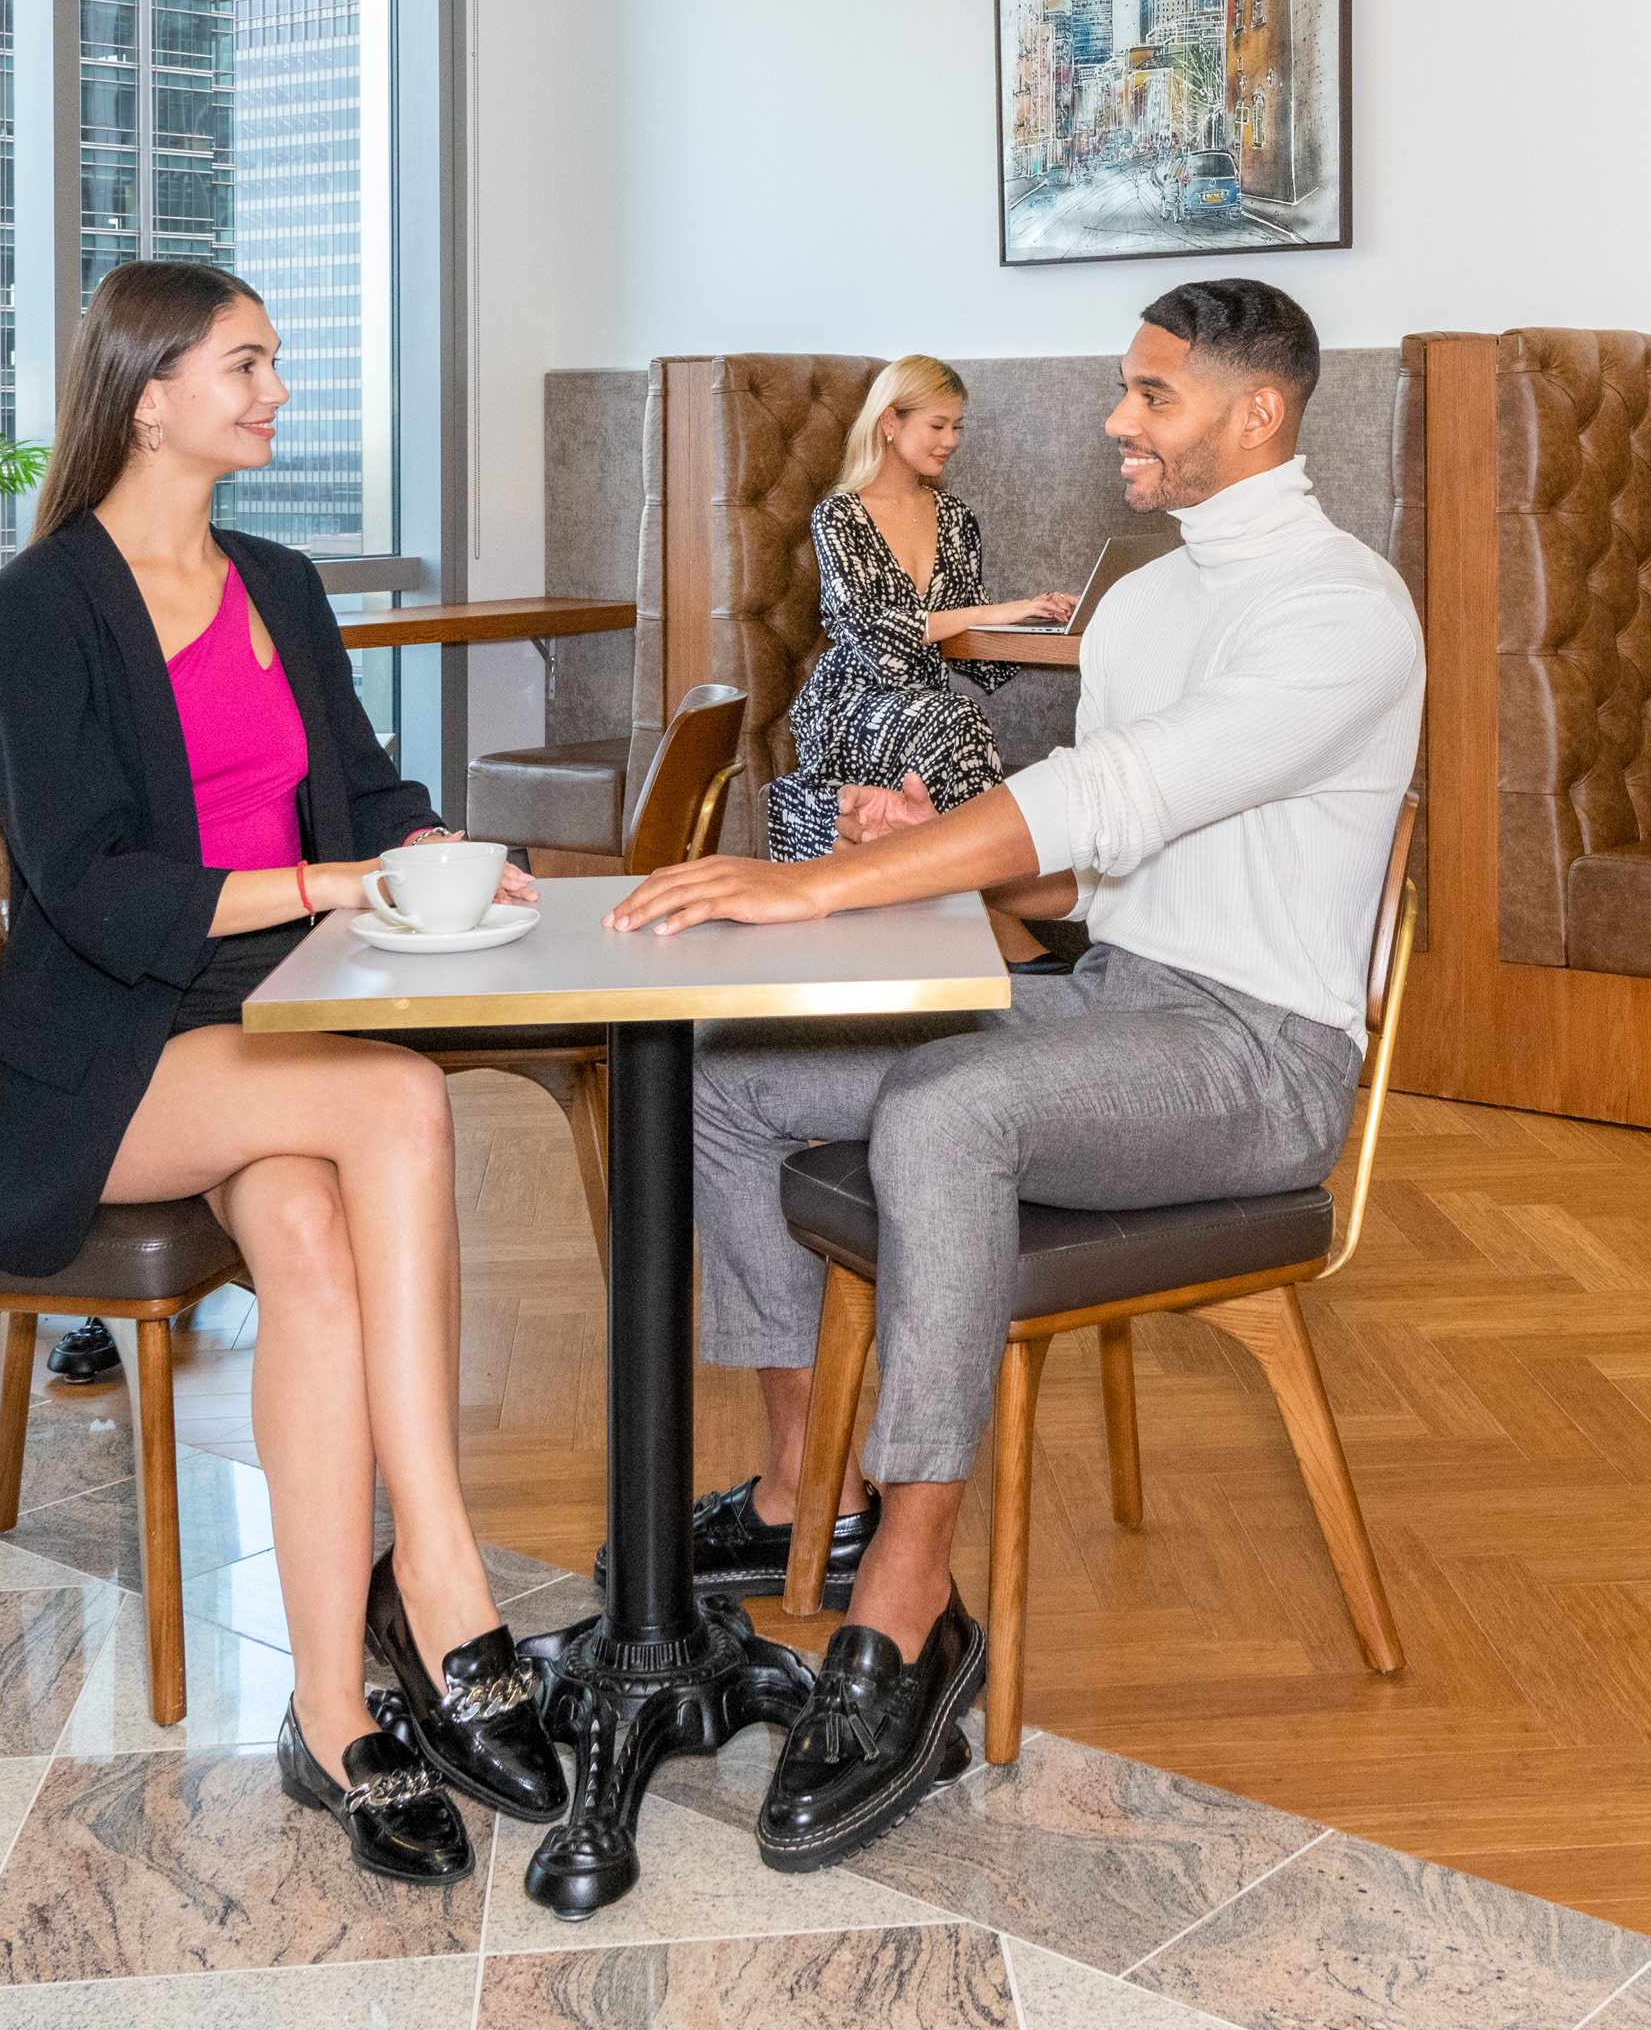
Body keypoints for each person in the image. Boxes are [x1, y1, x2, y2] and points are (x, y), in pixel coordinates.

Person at [608, 276, 1421, 1873]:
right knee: (734, 1074)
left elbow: (1111, 793)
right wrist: (925, 844)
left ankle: (911, 1610)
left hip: (1260, 1058)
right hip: (1118, 1001)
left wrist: (819, 886)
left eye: (1153, 394)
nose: (1119, 419)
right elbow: (1079, 878)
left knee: (948, 1106)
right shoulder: (1155, 607)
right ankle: (804, 1497)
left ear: (1260, 414)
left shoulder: (1345, 612)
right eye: (1129, 387)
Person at [0, 261, 552, 1887]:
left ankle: (332, 1714)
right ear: (150, 398)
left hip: (272, 1026)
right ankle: (445, 1581)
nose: (277, 392)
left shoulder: (278, 580)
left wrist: (433, 850)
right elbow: (90, 888)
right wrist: (329, 887)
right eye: (247, 365)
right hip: (104, 1051)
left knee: (319, 1255)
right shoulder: (31, 609)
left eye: (273, 365)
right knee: (398, 1100)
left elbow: (362, 794)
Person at [764, 353, 1075, 860]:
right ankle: (994, 877)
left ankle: (968, 880)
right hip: (848, 708)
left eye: (957, 426)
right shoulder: (838, 516)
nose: (951, 440)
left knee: (952, 722)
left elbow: (981, 660)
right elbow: (871, 635)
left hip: (929, 709)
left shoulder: (955, 518)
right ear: (890, 420)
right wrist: (990, 611)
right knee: (958, 719)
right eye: (937, 425)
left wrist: (1043, 618)